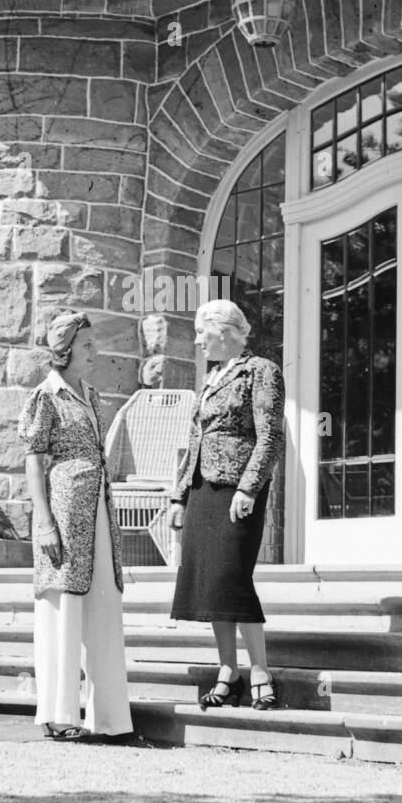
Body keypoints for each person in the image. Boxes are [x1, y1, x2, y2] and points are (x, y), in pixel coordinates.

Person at [19, 312, 133, 741]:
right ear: (64, 351)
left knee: (104, 602)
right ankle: (58, 714)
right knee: (62, 607)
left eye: (93, 343)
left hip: (99, 509)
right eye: (86, 345)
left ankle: (110, 718)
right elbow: (34, 460)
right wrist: (44, 522)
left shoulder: (92, 394)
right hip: (64, 511)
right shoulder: (46, 396)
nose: (95, 351)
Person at [168, 299, 286, 710]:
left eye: (203, 332)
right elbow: (195, 442)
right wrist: (180, 495)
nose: (198, 340)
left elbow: (270, 437)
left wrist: (249, 489)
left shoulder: (261, 371)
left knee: (234, 578)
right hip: (203, 491)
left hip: (238, 492)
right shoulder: (212, 378)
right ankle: (227, 671)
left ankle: (261, 670)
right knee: (213, 586)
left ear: (225, 330)